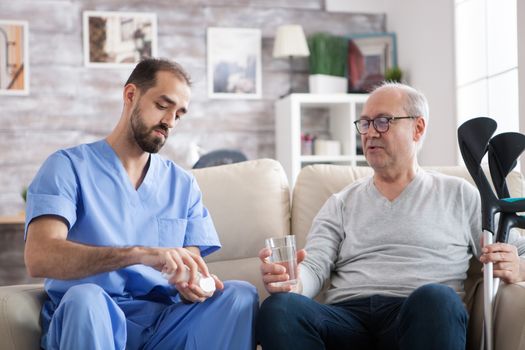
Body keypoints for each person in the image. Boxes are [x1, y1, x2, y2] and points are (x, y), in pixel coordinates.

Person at [256, 82, 525, 349]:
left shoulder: (459, 194)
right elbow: (314, 266)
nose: (370, 133)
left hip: (418, 316)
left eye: (383, 121)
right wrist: (292, 282)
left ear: (418, 128)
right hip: (348, 320)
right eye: (365, 123)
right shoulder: (341, 202)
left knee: (437, 298)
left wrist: (518, 266)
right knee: (280, 308)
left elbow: (518, 250)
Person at [24, 58, 258, 350]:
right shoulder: (67, 167)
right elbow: (39, 257)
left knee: (240, 296)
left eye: (179, 114)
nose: (169, 122)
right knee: (86, 298)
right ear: (130, 95)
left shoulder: (182, 185)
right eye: (162, 106)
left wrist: (189, 284)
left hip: (164, 324)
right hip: (93, 317)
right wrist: (137, 254)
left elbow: (190, 267)